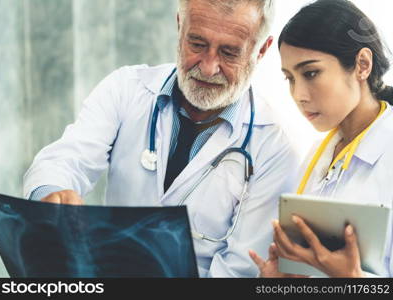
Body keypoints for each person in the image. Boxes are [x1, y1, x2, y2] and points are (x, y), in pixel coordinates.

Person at [23, 0, 299, 277]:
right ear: (180, 27)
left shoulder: (274, 149)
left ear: (261, 50)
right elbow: (65, 159)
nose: (208, 67)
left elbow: (239, 269)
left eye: (229, 53)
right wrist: (53, 191)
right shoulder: (126, 89)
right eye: (197, 44)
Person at [250, 0, 393, 277]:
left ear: (362, 65)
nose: (299, 95)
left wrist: (352, 281)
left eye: (311, 73)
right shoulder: (318, 155)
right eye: (289, 78)